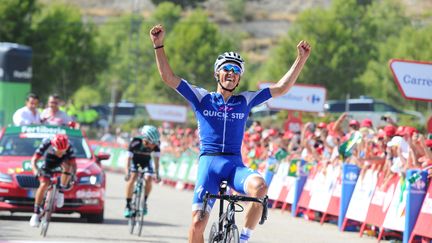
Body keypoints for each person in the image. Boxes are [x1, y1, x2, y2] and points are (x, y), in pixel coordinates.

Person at [150, 24, 311, 243]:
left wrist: (300, 59)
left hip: (235, 165)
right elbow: (168, 77)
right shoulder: (202, 97)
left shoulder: (244, 100)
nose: (232, 74)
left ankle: (244, 238)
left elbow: (281, 88)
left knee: (260, 188)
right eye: (227, 69)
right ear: (217, 72)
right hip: (209, 165)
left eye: (236, 71)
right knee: (198, 223)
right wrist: (158, 45)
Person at [29, 134, 77, 227]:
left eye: (63, 150)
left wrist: (73, 175)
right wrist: (35, 171)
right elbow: (34, 159)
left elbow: (74, 164)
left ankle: (61, 190)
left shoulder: (69, 147)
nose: (61, 153)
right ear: (54, 146)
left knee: (68, 167)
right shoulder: (46, 144)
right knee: (44, 184)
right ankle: (36, 213)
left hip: (62, 163)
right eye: (59, 151)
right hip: (48, 161)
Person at [123, 125, 161, 218]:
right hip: (134, 162)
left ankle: (144, 202)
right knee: (132, 177)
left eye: (155, 143)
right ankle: (128, 205)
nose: (153, 146)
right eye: (151, 143)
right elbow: (128, 160)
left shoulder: (156, 145)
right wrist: (127, 172)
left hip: (146, 162)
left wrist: (157, 173)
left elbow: (156, 161)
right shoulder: (135, 142)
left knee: (148, 178)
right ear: (145, 140)